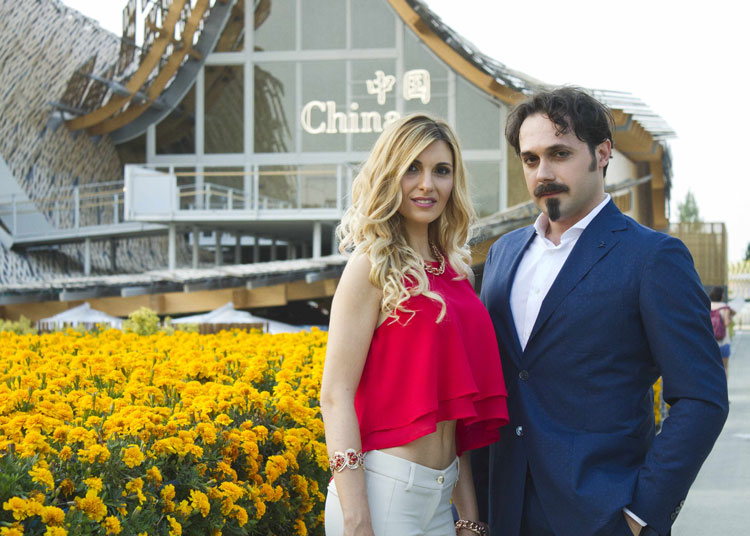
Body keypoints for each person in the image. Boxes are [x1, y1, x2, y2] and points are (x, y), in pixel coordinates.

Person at [474, 87, 729, 536]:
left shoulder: (653, 258)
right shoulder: (502, 254)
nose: (543, 172)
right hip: (502, 512)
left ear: (603, 153)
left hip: (602, 515)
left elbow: (701, 398)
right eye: (531, 159)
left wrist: (641, 514)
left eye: (560, 154)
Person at [320, 113, 509, 536]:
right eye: (412, 169)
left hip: (439, 500)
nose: (427, 184)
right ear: (389, 176)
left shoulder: (457, 272)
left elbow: (454, 413)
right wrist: (356, 519)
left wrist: (469, 518)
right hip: (382, 496)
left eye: (441, 170)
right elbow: (335, 395)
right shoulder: (370, 266)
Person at [709, 286, 735, 379]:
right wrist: (731, 317)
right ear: (721, 295)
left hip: (710, 342)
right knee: (725, 368)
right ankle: (724, 387)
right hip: (723, 342)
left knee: (711, 368)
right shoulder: (725, 307)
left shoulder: (707, 305)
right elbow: (726, 323)